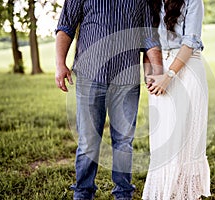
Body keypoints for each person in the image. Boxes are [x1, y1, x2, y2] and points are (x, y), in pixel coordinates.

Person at [54, 0, 162, 199]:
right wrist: (60, 64)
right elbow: (65, 26)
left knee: (124, 142)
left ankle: (123, 193)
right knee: (88, 141)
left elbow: (149, 37)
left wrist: (158, 71)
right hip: (89, 76)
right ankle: (83, 192)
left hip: (126, 80)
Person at [142, 0, 211, 199]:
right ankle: (165, 193)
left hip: (186, 70)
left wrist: (168, 76)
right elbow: (147, 39)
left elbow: (190, 41)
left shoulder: (193, 1)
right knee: (163, 137)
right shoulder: (151, 2)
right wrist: (150, 75)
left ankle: (186, 193)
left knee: (185, 135)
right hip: (159, 69)